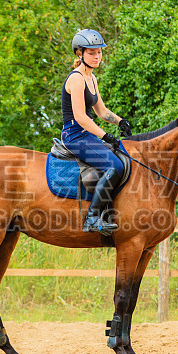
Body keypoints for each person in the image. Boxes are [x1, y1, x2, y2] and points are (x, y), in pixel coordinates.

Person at [60, 29, 132, 235]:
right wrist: (105, 136)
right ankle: (91, 218)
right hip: (74, 136)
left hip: (86, 134)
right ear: (79, 54)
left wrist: (120, 121)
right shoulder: (76, 79)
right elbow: (81, 117)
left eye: (99, 52)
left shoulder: (92, 78)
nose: (97, 56)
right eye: (92, 53)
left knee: (125, 158)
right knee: (115, 166)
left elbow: (101, 111)